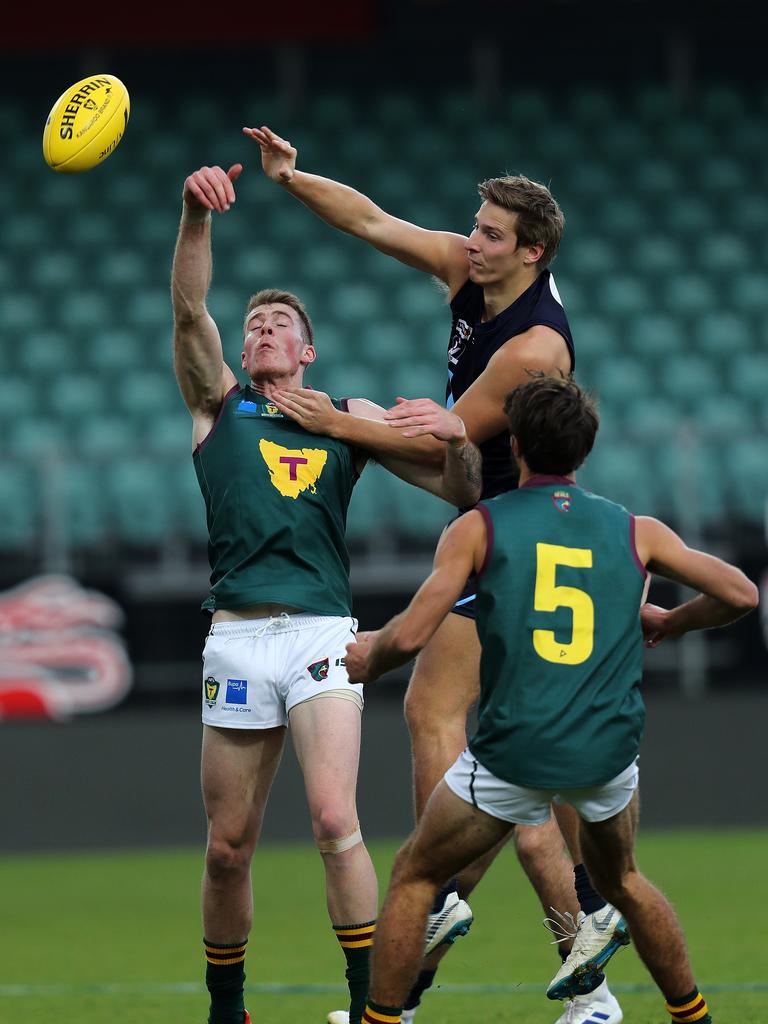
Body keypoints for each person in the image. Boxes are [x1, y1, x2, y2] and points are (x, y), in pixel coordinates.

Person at [246, 126, 625, 1024]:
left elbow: (446, 434)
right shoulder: (472, 272)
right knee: (515, 778)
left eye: (493, 234)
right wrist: (293, 178)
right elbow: (374, 222)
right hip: (483, 511)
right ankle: (586, 971)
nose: (473, 239)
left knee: (436, 719)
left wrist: (332, 423)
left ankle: (449, 909)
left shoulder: (534, 346)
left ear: (532, 252)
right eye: (476, 226)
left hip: (515, 530)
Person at [343, 372, 758, 1024]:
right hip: (607, 754)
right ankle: (693, 1017)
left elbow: (418, 630)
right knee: (623, 881)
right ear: (584, 453)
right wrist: (670, 623)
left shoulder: (479, 526)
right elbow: (741, 594)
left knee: (418, 878)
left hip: (516, 750)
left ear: (515, 443)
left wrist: (373, 658)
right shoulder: (636, 530)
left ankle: (383, 1020)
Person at [171, 161, 483, 1024]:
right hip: (235, 635)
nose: (263, 329)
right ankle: (226, 1010)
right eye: (255, 324)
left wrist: (456, 437)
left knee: (333, 820)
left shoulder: (347, 414)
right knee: (228, 849)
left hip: (318, 632)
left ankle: (372, 1006)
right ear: (243, 351)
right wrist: (194, 220)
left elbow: (460, 485)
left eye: (280, 324)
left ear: (306, 351)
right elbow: (189, 311)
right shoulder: (217, 406)